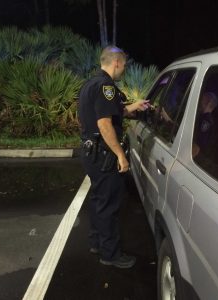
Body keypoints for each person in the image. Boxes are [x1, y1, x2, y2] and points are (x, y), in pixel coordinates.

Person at [78, 45, 149, 269]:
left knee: (100, 199)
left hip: (92, 152)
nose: (124, 69)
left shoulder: (91, 84)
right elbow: (104, 123)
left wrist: (134, 106)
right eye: (124, 65)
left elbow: (111, 112)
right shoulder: (106, 86)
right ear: (116, 62)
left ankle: (96, 243)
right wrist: (121, 155)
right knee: (109, 205)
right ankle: (111, 254)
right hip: (105, 155)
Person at [193, 92, 218, 157]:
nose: (200, 101)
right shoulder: (203, 117)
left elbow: (197, 146)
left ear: (209, 103)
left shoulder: (207, 121)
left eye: (203, 100)